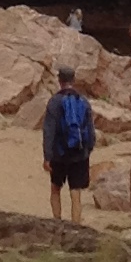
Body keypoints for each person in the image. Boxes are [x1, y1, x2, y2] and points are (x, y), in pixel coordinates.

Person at [42, 66, 96, 223]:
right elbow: (90, 130)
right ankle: (76, 226)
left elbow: (49, 131)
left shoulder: (54, 102)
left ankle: (57, 222)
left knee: (55, 188)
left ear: (60, 81)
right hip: (79, 153)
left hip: (59, 154)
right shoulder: (83, 101)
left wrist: (47, 156)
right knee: (75, 192)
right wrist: (87, 150)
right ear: (73, 80)